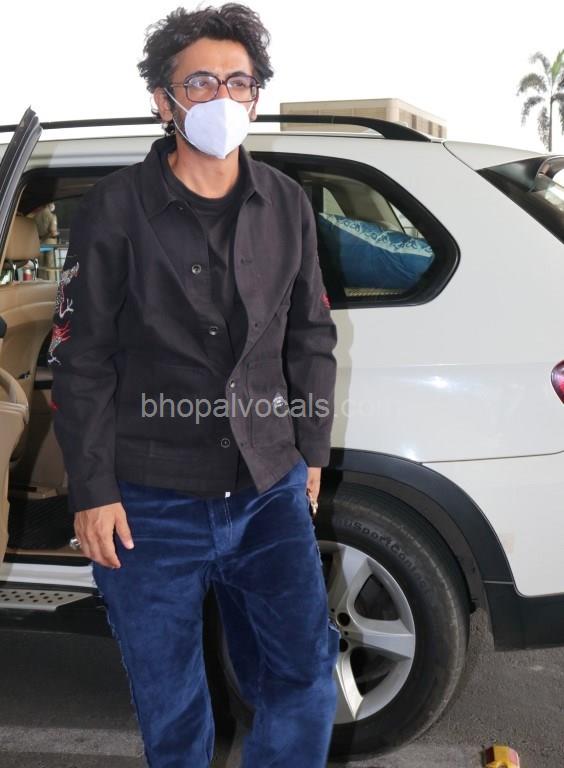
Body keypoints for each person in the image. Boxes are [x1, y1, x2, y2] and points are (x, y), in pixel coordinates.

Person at [48, 4, 340, 767]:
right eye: (201, 82)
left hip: (268, 490)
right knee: (173, 709)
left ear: (256, 96)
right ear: (164, 99)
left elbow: (310, 335)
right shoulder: (114, 209)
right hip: (148, 503)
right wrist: (91, 490)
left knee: (303, 681)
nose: (222, 97)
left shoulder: (286, 203)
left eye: (238, 82)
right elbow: (80, 358)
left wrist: (309, 450)